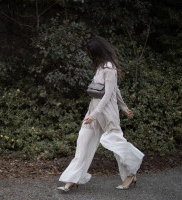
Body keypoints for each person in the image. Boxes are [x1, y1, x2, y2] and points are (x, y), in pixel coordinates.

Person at [57, 36, 144, 192]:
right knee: (82, 143)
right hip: (93, 112)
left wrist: (121, 108)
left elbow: (110, 92)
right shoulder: (101, 66)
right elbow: (114, 89)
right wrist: (119, 108)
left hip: (106, 113)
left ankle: (130, 174)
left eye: (91, 52)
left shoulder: (109, 67)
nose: (90, 55)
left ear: (96, 52)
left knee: (116, 145)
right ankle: (72, 179)